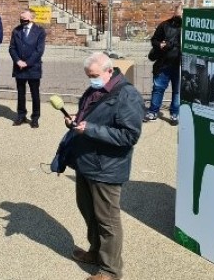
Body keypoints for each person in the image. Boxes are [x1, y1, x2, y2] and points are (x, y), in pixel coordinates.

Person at [66, 52, 143, 280]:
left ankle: (110, 271)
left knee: (107, 220)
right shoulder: (96, 89)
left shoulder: (127, 96)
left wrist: (90, 129)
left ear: (110, 71)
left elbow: (129, 135)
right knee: (88, 211)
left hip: (107, 167)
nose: (92, 80)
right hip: (87, 161)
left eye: (95, 75)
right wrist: (76, 118)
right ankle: (97, 253)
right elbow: (91, 116)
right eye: (89, 76)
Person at [8, 9, 46, 128]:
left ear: (31, 18)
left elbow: (39, 50)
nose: (22, 21)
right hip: (19, 67)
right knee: (21, 93)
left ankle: (35, 117)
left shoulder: (39, 31)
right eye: (21, 19)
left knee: (35, 94)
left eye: (25, 19)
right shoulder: (16, 31)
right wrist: (18, 60)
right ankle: (21, 115)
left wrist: (27, 63)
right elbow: (12, 48)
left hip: (33, 67)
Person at [146, 4, 182, 124]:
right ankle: (153, 111)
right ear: (175, 10)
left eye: (184, 11)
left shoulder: (189, 27)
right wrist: (159, 45)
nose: (181, 13)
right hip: (164, 63)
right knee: (158, 88)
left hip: (180, 65)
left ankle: (175, 113)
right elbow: (154, 39)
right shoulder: (164, 25)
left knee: (177, 91)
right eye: (180, 10)